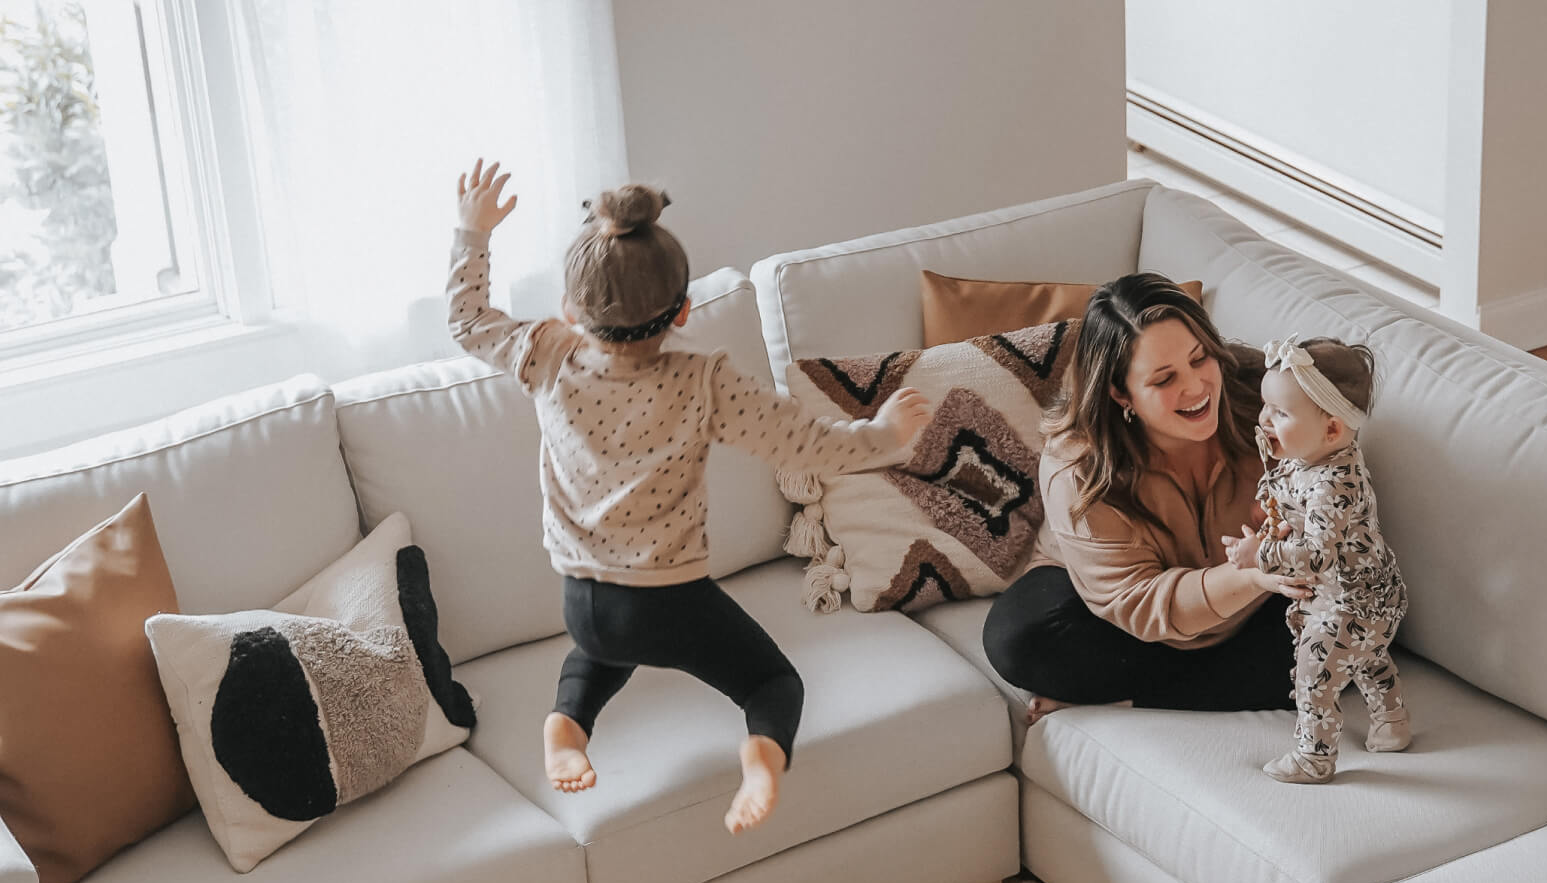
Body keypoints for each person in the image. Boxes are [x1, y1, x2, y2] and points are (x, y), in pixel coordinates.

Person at [446, 160, 932, 831]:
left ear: (569, 308)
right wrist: (882, 434)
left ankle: (567, 724)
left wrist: (472, 233)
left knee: (597, 654)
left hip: (583, 600)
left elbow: (468, 321)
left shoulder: (545, 352)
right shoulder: (703, 383)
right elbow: (806, 445)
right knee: (772, 683)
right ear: (681, 312)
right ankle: (761, 761)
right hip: (667, 601)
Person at [981, 272, 1312, 723]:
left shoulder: (1260, 393)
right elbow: (1142, 604)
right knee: (1018, 640)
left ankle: (1128, 695)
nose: (1195, 388)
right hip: (1123, 614)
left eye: (1200, 359)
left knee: (1351, 634)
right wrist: (1253, 576)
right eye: (1164, 379)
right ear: (1121, 393)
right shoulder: (1079, 466)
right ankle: (1200, 685)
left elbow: (1335, 466)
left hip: (1253, 599)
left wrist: (1301, 522)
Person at [1228, 336, 1408, 784]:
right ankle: (1392, 722)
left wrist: (1260, 555)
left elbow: (1314, 556)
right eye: (1265, 406)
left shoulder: (1332, 485)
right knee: (1366, 657)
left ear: (1331, 429)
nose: (1265, 419)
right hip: (1373, 597)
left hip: (1349, 605)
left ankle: (1314, 756)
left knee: (1315, 672)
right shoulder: (1317, 460)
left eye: (1280, 413)